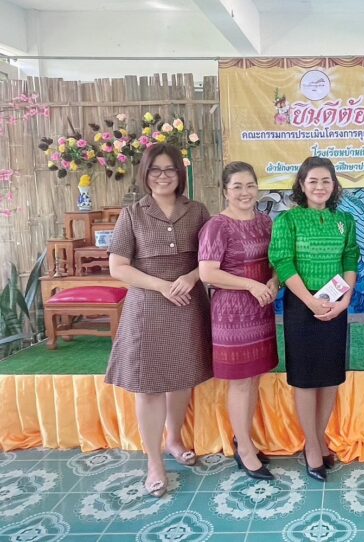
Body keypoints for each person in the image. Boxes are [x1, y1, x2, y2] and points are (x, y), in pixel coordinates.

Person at [106, 143, 212, 498]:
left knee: (181, 378)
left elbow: (211, 258)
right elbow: (118, 267)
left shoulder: (197, 210)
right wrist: (161, 286)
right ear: (145, 174)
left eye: (169, 169)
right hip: (148, 307)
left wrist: (191, 277)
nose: (163, 176)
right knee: (149, 386)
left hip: (187, 304)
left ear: (180, 174)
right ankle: (154, 462)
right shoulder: (132, 214)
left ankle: (174, 440)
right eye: (156, 170)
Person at [268, 156, 359, 482]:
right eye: (313, 181)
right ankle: (312, 445)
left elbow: (350, 257)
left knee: (330, 378)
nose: (320, 187)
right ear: (302, 185)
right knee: (306, 380)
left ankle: (319, 439)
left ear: (334, 185)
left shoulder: (344, 220)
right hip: (301, 307)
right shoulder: (288, 221)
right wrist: (309, 301)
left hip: (336, 305)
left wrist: (345, 300)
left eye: (326, 181)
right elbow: (282, 261)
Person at [198, 161, 279, 481]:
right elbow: (207, 273)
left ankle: (244, 438)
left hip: (261, 308)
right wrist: (250, 285)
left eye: (250, 185)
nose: (245, 192)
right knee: (241, 381)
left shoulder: (265, 222)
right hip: (232, 313)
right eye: (237, 187)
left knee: (255, 378)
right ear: (225, 191)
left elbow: (275, 261)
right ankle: (243, 449)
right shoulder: (217, 226)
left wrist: (274, 281)